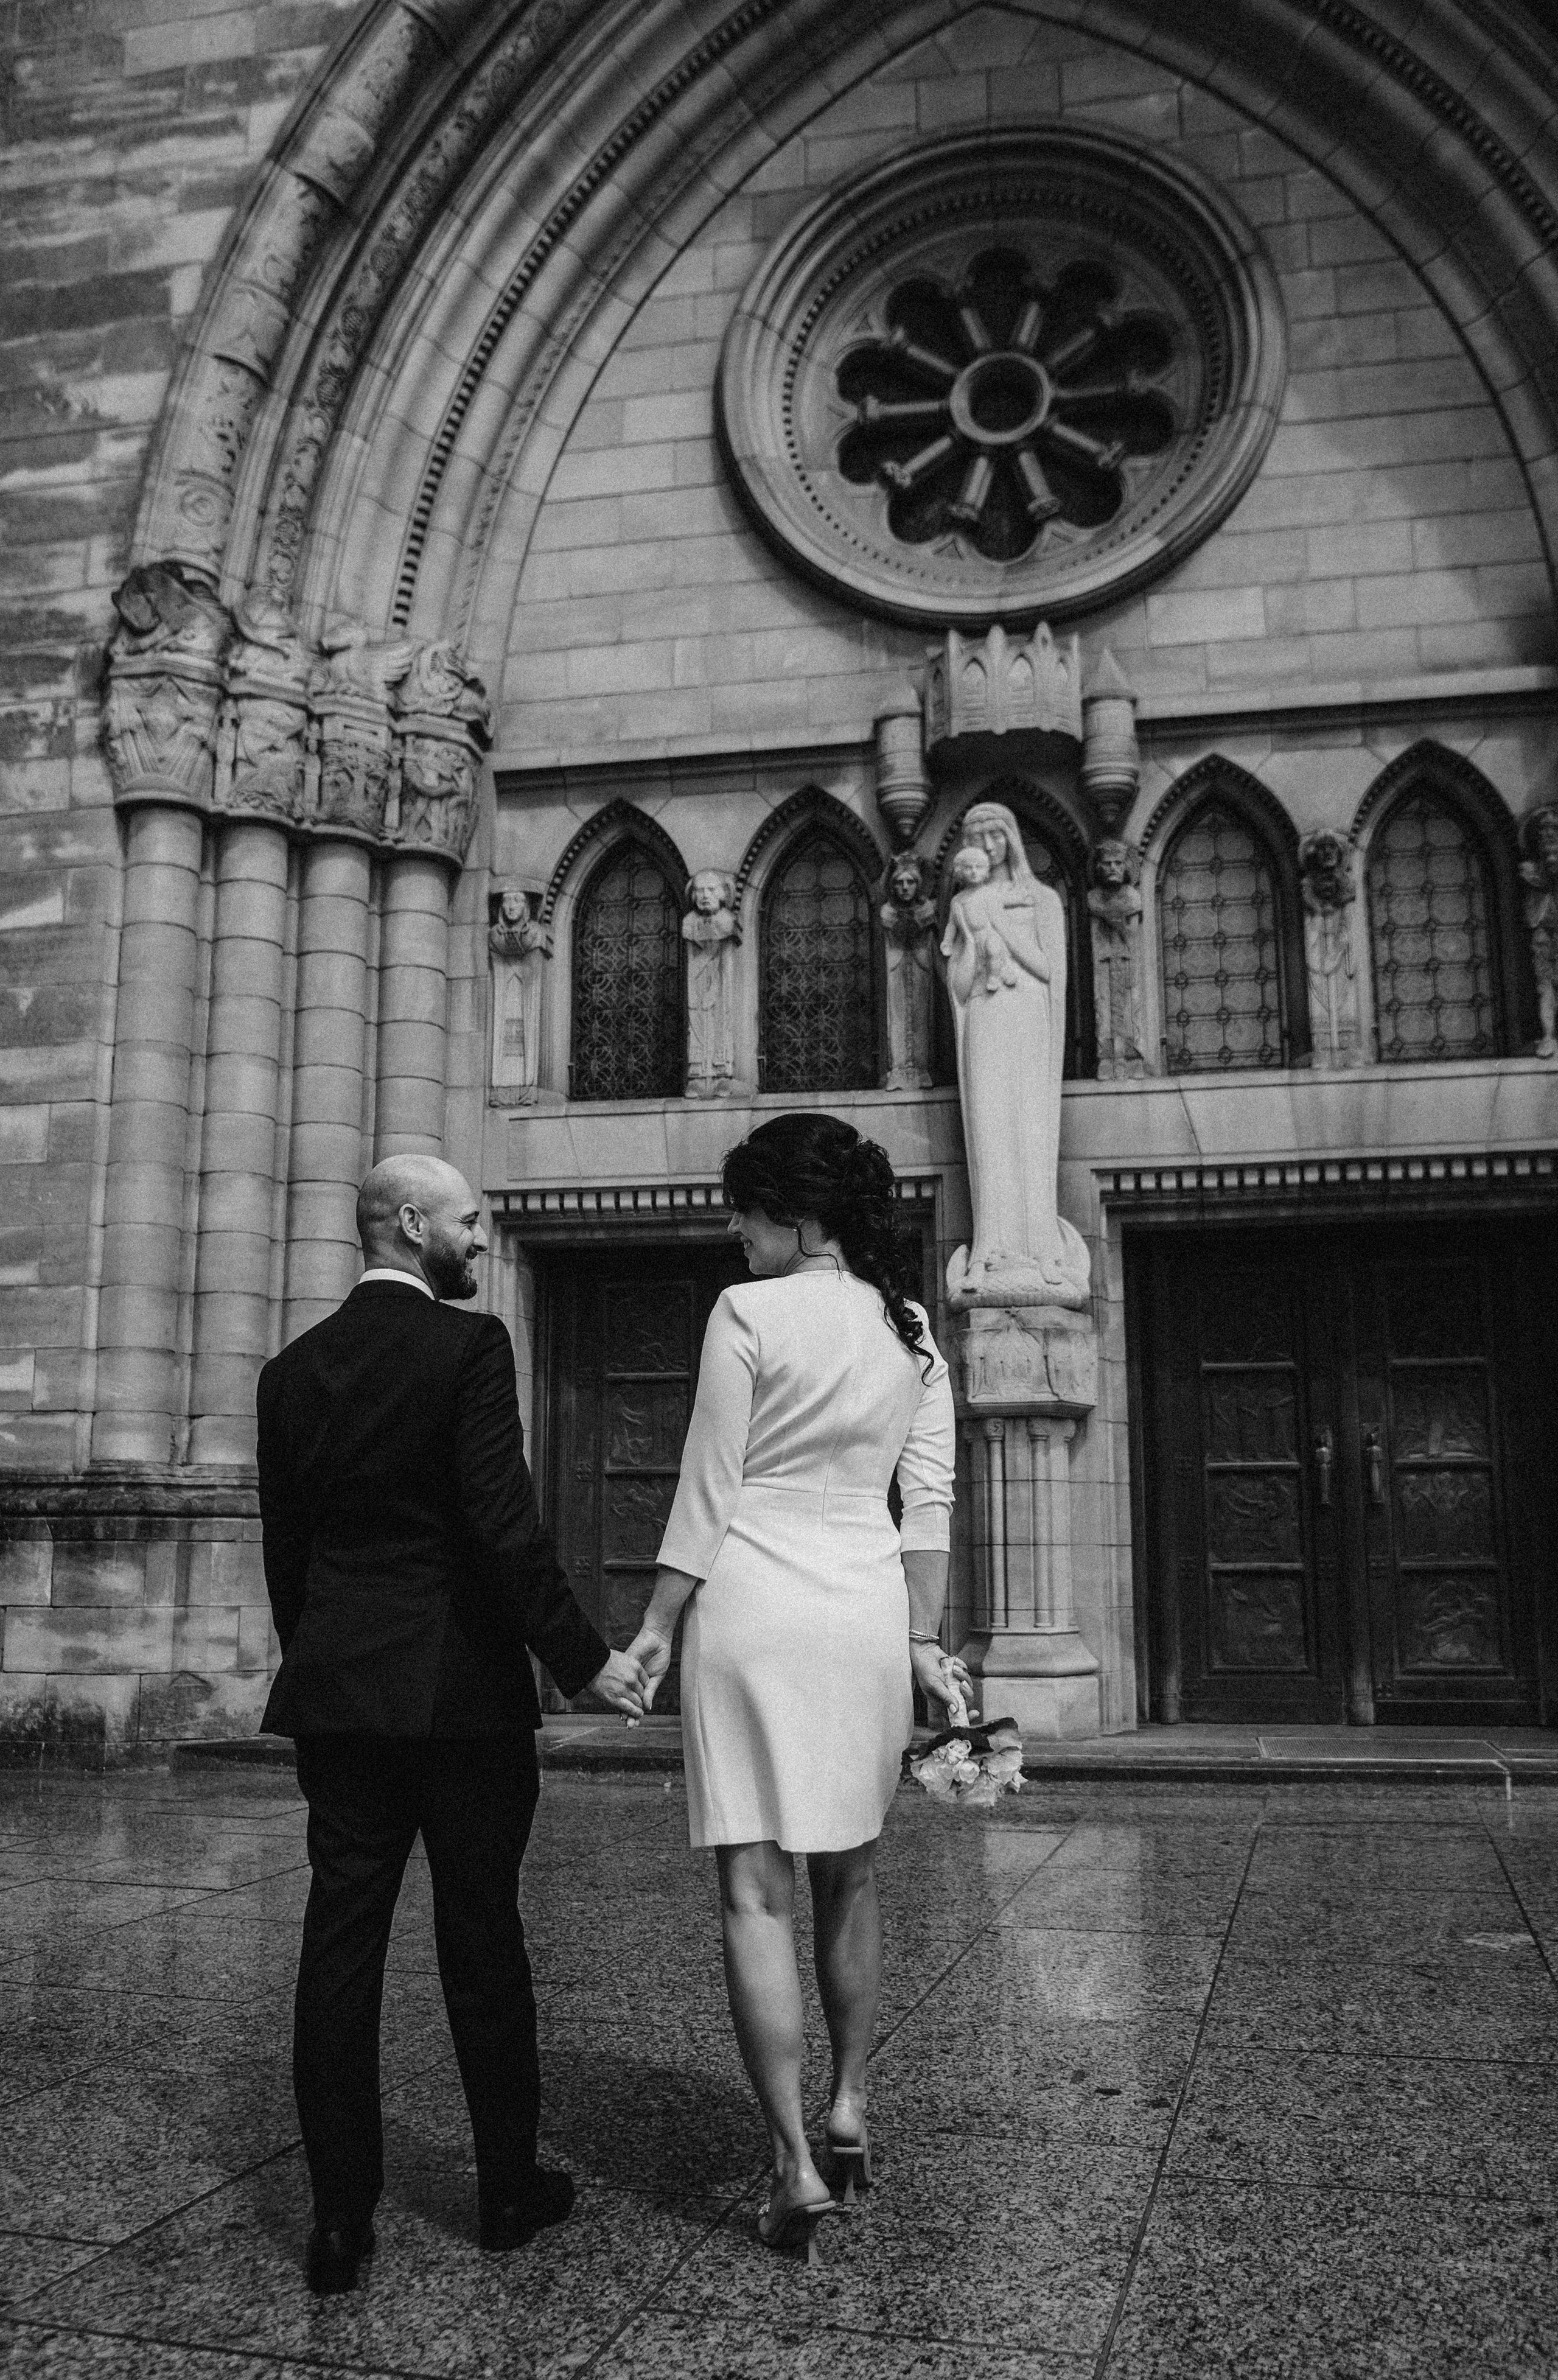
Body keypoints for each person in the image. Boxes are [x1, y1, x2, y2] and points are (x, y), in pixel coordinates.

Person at [256, 1155, 646, 2294]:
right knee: (482, 1943)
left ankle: (339, 2219)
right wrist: (585, 1660)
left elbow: (292, 1554)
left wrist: (321, 1662)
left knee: (340, 1947)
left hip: (342, 1696)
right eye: (471, 1223)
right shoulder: (470, 1348)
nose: (481, 1242)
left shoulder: (290, 1372)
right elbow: (500, 1524)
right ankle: (507, 2192)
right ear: (413, 1223)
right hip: (464, 1701)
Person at [624, 1113, 962, 2262]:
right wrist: (925, 1642)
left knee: (756, 1891)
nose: (734, 1231)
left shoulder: (747, 1313)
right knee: (851, 1871)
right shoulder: (910, 1328)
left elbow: (708, 1484)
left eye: (746, 1209)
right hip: (864, 1608)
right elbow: (930, 1502)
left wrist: (657, 1625)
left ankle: (792, 2164)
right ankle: (852, 2098)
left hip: (753, 1604)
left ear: (800, 1216)